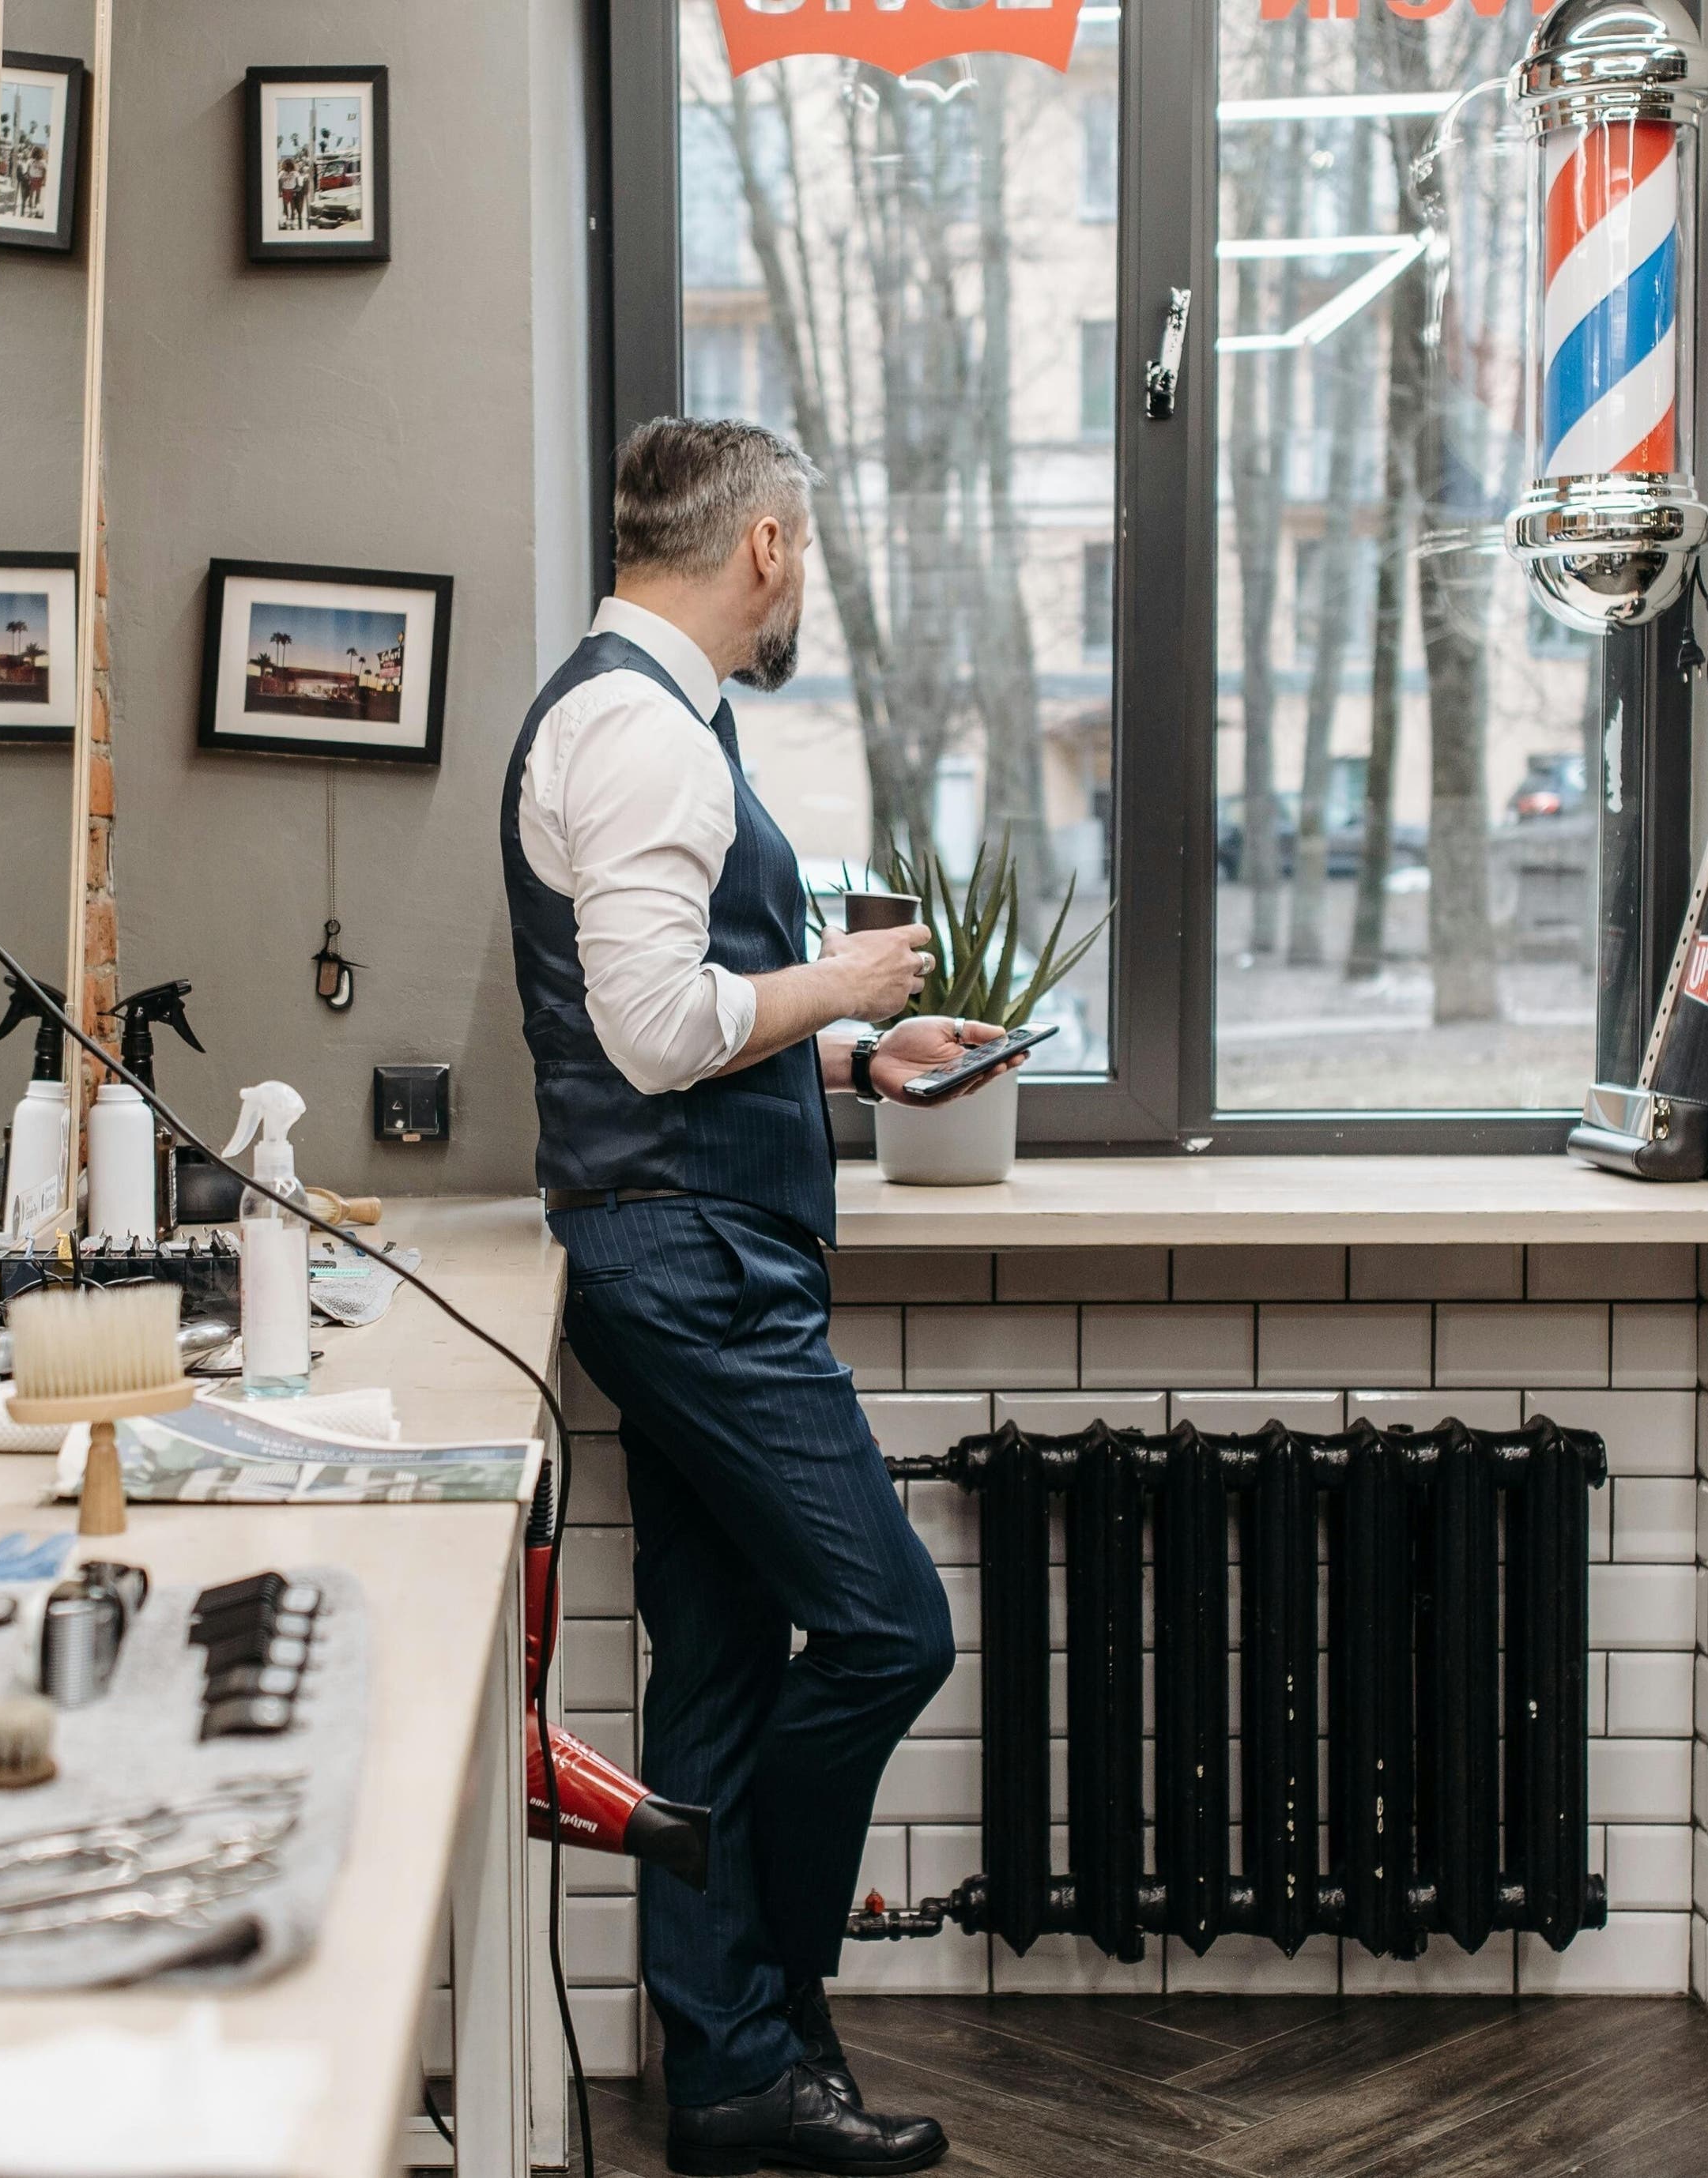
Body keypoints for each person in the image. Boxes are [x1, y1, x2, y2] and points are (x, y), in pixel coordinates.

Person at [503, 416, 1025, 2177]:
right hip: (698, 1270)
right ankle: (783, 1991)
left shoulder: (634, 718)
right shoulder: (644, 733)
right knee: (893, 1629)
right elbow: (659, 1037)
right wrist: (845, 974)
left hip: (688, 1251)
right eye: (804, 552)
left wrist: (865, 1058)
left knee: (719, 1669)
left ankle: (730, 2077)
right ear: (770, 548)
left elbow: (682, 1019)